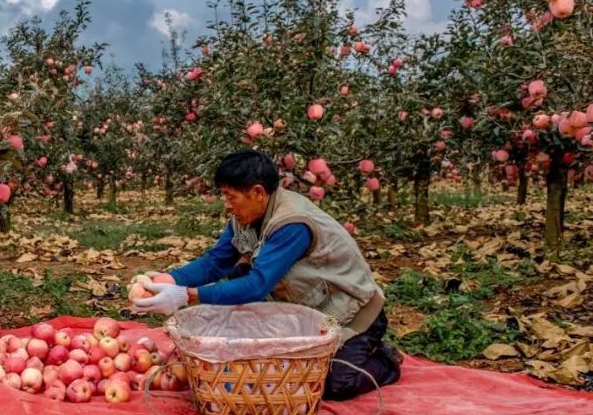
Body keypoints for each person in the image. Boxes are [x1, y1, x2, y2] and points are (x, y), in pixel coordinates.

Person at [133, 149, 402, 400]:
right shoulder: (246, 216)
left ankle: (385, 359)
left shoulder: (291, 224)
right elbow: (215, 262)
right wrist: (168, 280)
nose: (226, 204)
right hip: (308, 309)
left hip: (354, 313)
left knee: (332, 385)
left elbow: (256, 286)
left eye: (230, 196)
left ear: (258, 192)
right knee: (271, 370)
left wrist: (186, 295)